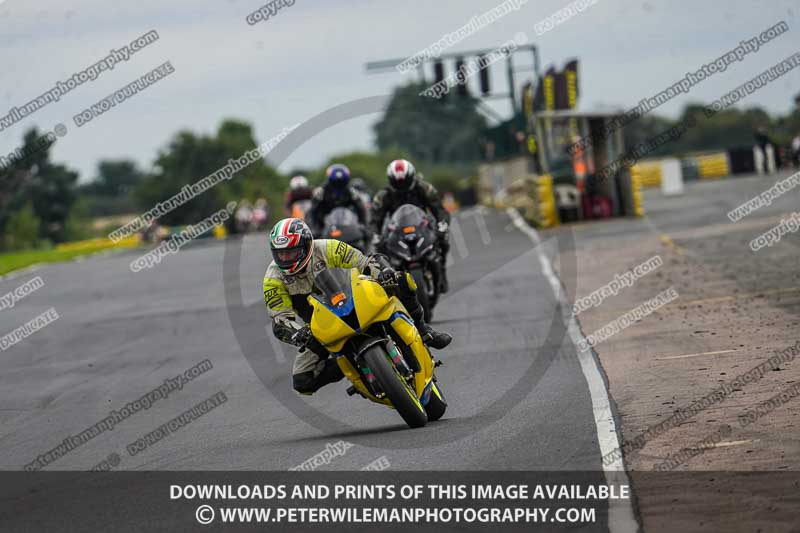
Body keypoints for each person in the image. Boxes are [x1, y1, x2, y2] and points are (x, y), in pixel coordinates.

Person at [263, 217, 452, 395]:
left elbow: (365, 261)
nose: (286, 258)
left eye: (291, 252)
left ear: (306, 245)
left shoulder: (328, 248)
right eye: (280, 254)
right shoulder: (273, 279)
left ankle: (424, 330)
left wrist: (384, 271)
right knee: (302, 382)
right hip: (321, 328)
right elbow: (280, 320)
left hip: (355, 299)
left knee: (402, 280)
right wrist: (297, 333)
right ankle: (350, 367)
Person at [370, 159, 451, 293]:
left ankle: (442, 271)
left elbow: (439, 209)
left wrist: (442, 223)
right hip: (396, 230)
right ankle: (389, 283)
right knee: (380, 248)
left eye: (405, 182)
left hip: (423, 225)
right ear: (391, 180)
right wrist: (375, 235)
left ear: (411, 177)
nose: (401, 186)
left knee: (443, 238)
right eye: (398, 183)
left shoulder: (424, 188)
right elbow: (375, 218)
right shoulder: (383, 195)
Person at [308, 164, 367, 233]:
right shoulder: (321, 192)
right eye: (335, 183)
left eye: (341, 183)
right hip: (324, 226)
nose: (338, 186)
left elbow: (360, 208)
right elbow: (313, 211)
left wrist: (363, 225)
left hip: (348, 225)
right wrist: (314, 228)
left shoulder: (351, 191)